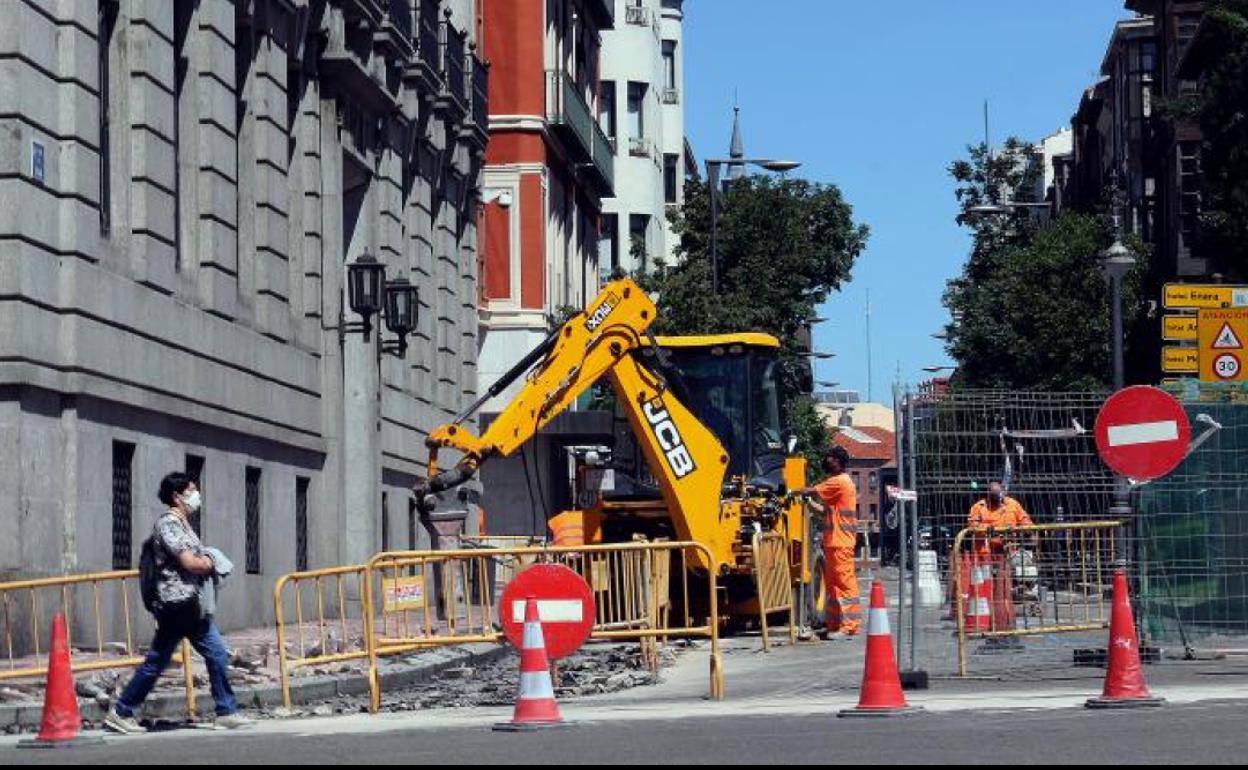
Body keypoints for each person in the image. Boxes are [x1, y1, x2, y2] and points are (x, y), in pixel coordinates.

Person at [104, 473, 252, 734]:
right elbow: (190, 562)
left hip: (191, 605)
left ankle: (226, 710)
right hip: (176, 603)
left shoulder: (183, 524)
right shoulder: (168, 524)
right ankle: (122, 710)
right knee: (157, 661)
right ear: (176, 496)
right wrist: (209, 562)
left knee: (214, 653)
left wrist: (206, 561)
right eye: (191, 490)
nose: (196, 496)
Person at [803, 447, 861, 637]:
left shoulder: (839, 481)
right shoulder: (841, 484)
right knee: (834, 586)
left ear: (838, 461)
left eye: (830, 458)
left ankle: (849, 625)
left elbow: (814, 490)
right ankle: (834, 624)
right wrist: (809, 505)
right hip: (835, 543)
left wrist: (793, 491)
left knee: (844, 585)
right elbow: (828, 512)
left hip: (840, 542)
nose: (826, 460)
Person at [966, 481, 1033, 633]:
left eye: (1000, 496)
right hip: (985, 555)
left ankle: (1006, 614)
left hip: (1007, 553)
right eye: (995, 497)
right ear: (989, 495)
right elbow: (972, 525)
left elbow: (1025, 521)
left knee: (1006, 585)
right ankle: (990, 619)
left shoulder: (1013, 505)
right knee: (988, 589)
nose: (999, 500)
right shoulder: (979, 507)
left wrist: (1025, 529)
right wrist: (988, 530)